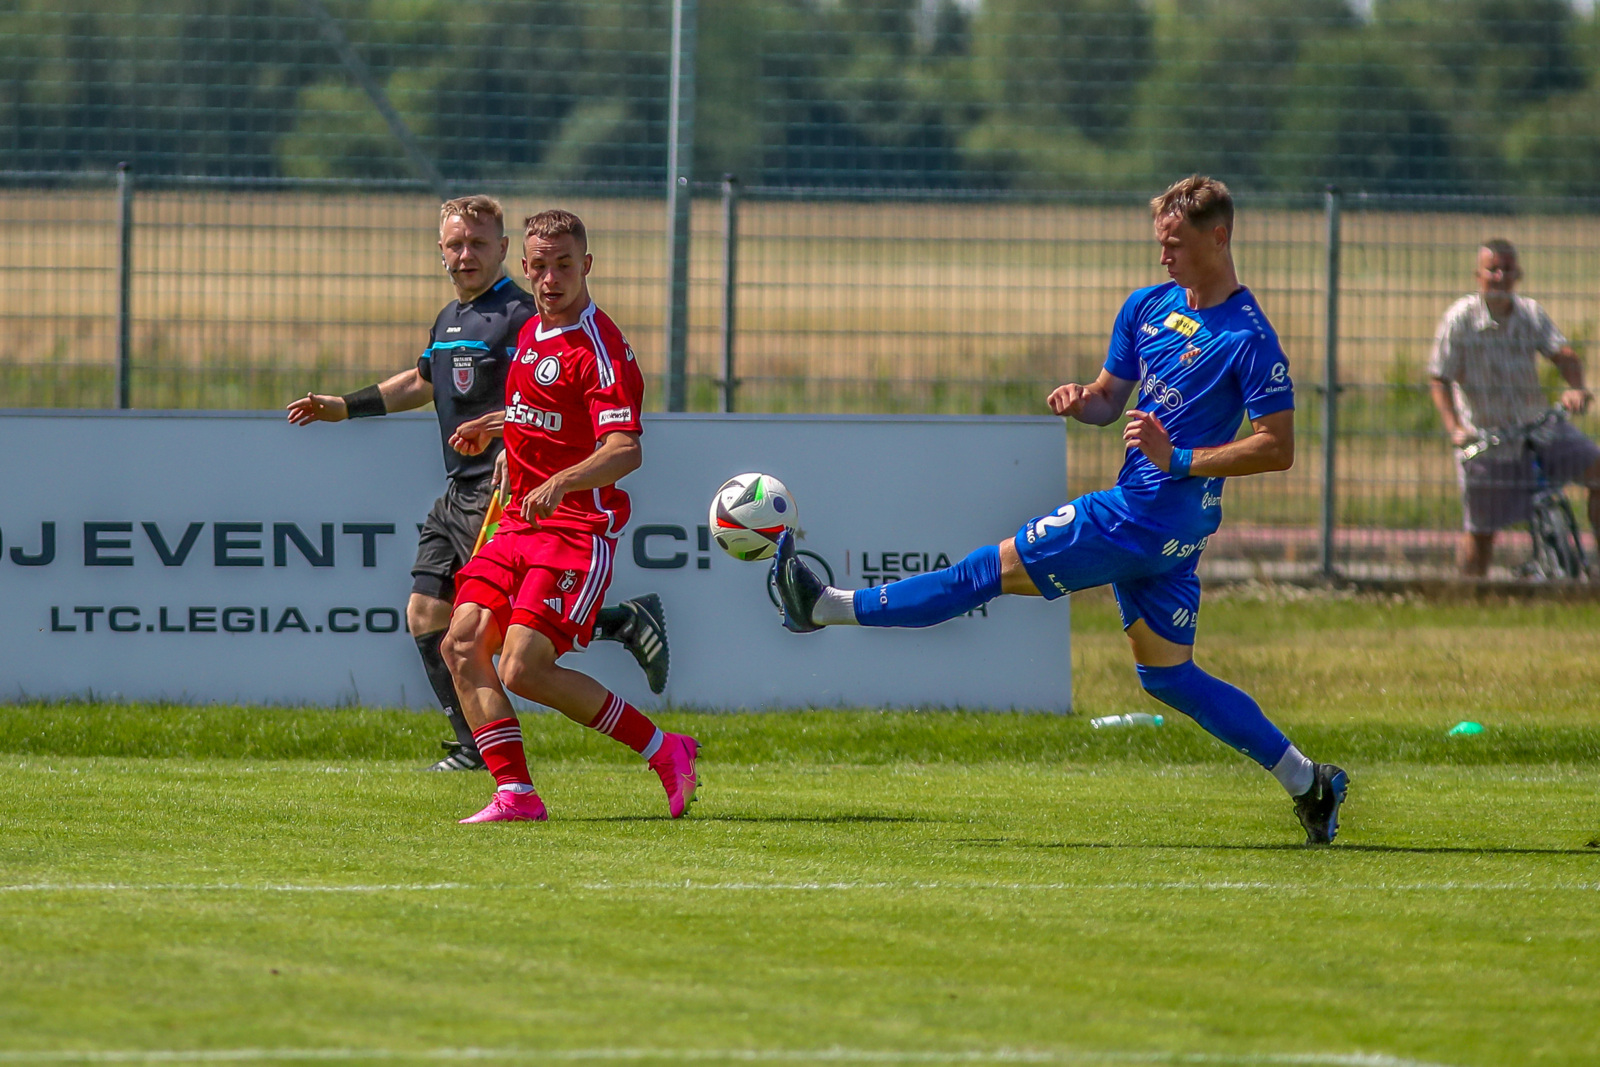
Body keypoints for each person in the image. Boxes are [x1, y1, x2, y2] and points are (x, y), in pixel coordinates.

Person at [770, 175, 1349, 845]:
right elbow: (1111, 399)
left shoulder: (1249, 338)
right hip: (1167, 531)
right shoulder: (1147, 307)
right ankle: (1311, 783)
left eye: (1175, 244)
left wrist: (1180, 460)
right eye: (1159, 242)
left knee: (981, 574)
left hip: (1142, 514)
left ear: (1218, 237)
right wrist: (1085, 402)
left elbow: (1278, 449)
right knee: (1168, 676)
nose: (1164, 256)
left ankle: (822, 606)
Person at [286, 195, 669, 773]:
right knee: (434, 620)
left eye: (478, 244)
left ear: (503, 250)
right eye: (455, 244)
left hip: (512, 496)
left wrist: (533, 464)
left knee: (516, 654)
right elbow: (433, 385)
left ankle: (627, 676)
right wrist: (345, 407)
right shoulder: (454, 318)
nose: (466, 255)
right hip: (469, 491)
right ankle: (491, 762)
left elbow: (599, 431)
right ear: (439, 251)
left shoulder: (525, 316)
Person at [442, 209, 698, 823]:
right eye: (540, 265)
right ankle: (516, 795)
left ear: (586, 265)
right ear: (524, 266)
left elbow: (624, 449)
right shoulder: (532, 332)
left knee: (524, 668)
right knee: (461, 644)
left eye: (564, 265)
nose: (551, 277)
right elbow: (546, 414)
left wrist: (560, 482)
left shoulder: (600, 348)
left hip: (577, 529)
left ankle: (667, 749)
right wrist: (498, 428)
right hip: (517, 522)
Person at [1428, 238, 1599, 577]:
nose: (1500, 276)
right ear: (1478, 275)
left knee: (1597, 472)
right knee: (1481, 529)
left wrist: (1576, 389)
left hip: (1538, 425)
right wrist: (1455, 429)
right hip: (1487, 436)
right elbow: (1439, 378)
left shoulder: (1530, 313)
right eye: (1493, 269)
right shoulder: (1459, 319)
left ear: (1518, 275)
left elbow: (1562, 355)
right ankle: (1468, 597)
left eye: (1507, 269)